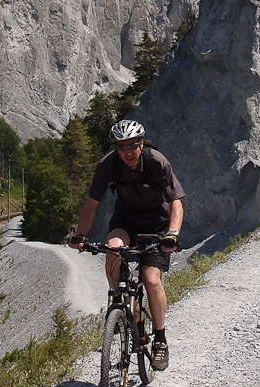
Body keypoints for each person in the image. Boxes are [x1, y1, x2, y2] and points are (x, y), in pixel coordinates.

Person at [69, 119, 185, 371]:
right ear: (116, 149)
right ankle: (118, 304)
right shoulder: (108, 165)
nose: (128, 152)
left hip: (156, 224)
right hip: (126, 220)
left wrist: (172, 234)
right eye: (122, 147)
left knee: (151, 279)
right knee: (112, 247)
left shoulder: (156, 162)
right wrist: (80, 234)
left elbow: (176, 202)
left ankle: (160, 339)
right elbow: (91, 203)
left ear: (141, 143)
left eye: (132, 146)